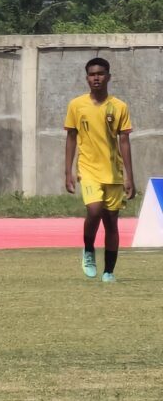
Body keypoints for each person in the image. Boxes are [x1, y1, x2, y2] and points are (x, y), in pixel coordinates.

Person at [64, 57, 135, 283]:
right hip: (88, 169)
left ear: (109, 77)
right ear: (86, 78)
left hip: (113, 172)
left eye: (101, 73)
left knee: (111, 221)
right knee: (94, 211)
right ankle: (88, 250)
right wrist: (68, 171)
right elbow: (71, 137)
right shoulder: (76, 105)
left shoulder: (119, 106)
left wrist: (130, 177)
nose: (96, 77)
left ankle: (109, 272)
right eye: (92, 74)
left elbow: (124, 141)